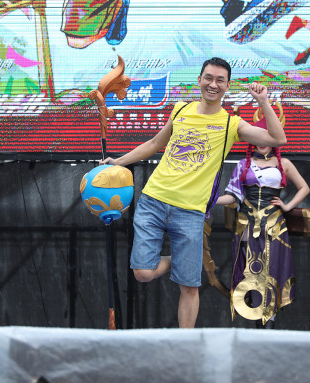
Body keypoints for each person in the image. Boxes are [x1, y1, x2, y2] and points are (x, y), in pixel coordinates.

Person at [100, 57, 287, 328]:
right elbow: (154, 143)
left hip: (190, 212)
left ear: (227, 86)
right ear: (199, 80)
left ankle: (184, 345)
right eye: (208, 78)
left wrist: (263, 102)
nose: (213, 84)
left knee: (188, 286)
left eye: (220, 80)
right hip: (153, 201)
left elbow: (278, 139)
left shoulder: (231, 124)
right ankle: (179, 259)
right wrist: (118, 162)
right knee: (142, 273)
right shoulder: (181, 109)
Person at [216, 118, 310, 328]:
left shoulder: (284, 163)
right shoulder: (243, 164)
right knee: (251, 272)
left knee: (272, 271)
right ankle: (259, 326)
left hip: (275, 225)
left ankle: (269, 325)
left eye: (267, 136)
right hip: (247, 225)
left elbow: (304, 187)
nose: (262, 141)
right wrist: (211, 201)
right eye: (258, 136)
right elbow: (232, 197)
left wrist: (287, 206)